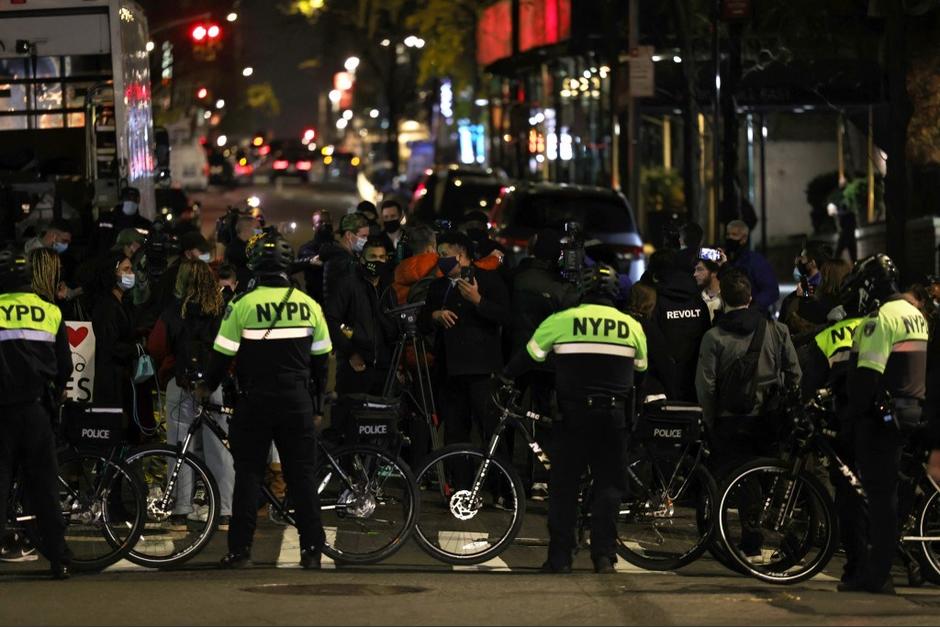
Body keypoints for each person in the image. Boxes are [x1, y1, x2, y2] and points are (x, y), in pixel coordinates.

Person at [199, 231, 332, 570]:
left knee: (248, 476)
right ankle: (312, 551)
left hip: (255, 400)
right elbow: (323, 360)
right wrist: (317, 406)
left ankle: (241, 551)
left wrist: (205, 386)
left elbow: (220, 355)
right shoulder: (309, 305)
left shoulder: (241, 304)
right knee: (301, 477)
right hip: (297, 400)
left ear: (254, 265)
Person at [502, 264, 648, 574]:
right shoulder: (631, 326)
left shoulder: (561, 321)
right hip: (613, 417)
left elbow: (529, 357)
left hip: (572, 415)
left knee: (564, 487)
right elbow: (641, 370)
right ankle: (604, 557)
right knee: (609, 486)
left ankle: (559, 559)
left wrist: (502, 378)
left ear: (582, 290)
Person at [838, 254, 928, 595]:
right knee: (887, 491)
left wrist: (851, 413)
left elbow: (868, 377)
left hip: (881, 417)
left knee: (879, 499)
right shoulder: (915, 315)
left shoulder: (881, 318)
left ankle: (876, 576)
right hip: (909, 410)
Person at [0, 246, 72, 578]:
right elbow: (65, 367)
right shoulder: (50, 311)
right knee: (44, 488)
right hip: (36, 412)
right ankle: (59, 560)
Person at [147, 260, 234, 530]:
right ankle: (223, 511)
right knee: (218, 448)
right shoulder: (221, 310)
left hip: (180, 382)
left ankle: (181, 510)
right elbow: (232, 347)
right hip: (214, 384)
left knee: (179, 446)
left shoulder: (173, 311)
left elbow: (156, 346)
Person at [696, 270, 801, 474]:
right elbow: (794, 373)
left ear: (723, 299)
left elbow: (705, 385)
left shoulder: (713, 337)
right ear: (750, 298)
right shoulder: (777, 330)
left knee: (731, 482)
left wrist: (709, 421)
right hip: (768, 418)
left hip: (728, 420)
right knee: (768, 480)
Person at [419, 231, 511, 449]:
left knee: (490, 430)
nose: (441, 259)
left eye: (445, 253)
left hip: (481, 372)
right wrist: (434, 316)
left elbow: (506, 316)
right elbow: (423, 320)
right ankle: (460, 480)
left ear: (460, 254)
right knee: (455, 433)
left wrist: (478, 300)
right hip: (449, 371)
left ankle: (499, 480)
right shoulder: (437, 286)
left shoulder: (487, 279)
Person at [510, 228, 579, 497]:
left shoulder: (518, 277)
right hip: (550, 359)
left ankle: (511, 477)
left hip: (519, 355)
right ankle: (542, 476)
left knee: (512, 416)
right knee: (544, 418)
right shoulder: (560, 286)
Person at [323, 236, 398, 441]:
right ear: (362, 259)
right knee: (348, 424)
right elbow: (333, 320)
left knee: (379, 426)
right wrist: (352, 348)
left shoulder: (388, 288)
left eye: (382, 257)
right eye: (372, 257)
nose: (378, 261)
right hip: (355, 368)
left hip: (383, 368)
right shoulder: (347, 284)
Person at [645, 249, 710, 402]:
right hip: (694, 382)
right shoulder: (699, 302)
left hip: (663, 385)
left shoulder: (657, 303)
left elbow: (654, 344)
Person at [91, 253, 142, 416]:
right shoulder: (106, 306)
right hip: (111, 377)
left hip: (122, 374)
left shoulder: (123, 302)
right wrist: (136, 350)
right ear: (112, 273)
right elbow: (109, 344)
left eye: (131, 269)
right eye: (125, 269)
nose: (131, 274)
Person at [723, 220, 779, 314]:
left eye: (734, 234)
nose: (730, 238)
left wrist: (753, 306)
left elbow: (771, 291)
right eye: (728, 234)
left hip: (752, 316)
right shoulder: (724, 258)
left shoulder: (755, 261)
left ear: (744, 238)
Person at [779, 243, 831, 336]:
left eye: (802, 258)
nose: (797, 262)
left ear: (813, 263)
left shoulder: (793, 300)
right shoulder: (831, 289)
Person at [320, 213, 370, 301]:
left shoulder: (348, 257)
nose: (366, 240)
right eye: (363, 236)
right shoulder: (340, 261)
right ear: (349, 235)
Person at [90, 187, 152, 256]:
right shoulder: (105, 219)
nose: (131, 201)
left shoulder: (145, 224)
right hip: (106, 262)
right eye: (127, 198)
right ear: (122, 199)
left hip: (131, 264)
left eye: (134, 199)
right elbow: (93, 241)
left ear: (138, 200)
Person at [296, 209, 333, 303]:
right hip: (315, 299)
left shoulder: (340, 248)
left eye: (327, 222)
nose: (324, 225)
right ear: (313, 226)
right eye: (320, 222)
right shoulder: (306, 249)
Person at [224, 216, 260, 291]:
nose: (259, 231)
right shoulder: (234, 248)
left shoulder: (251, 245)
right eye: (257, 227)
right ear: (247, 229)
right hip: (241, 291)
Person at [693, 255, 722, 322]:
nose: (695, 274)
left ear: (714, 273)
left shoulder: (727, 296)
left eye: (700, 269)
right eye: (695, 270)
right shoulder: (696, 297)